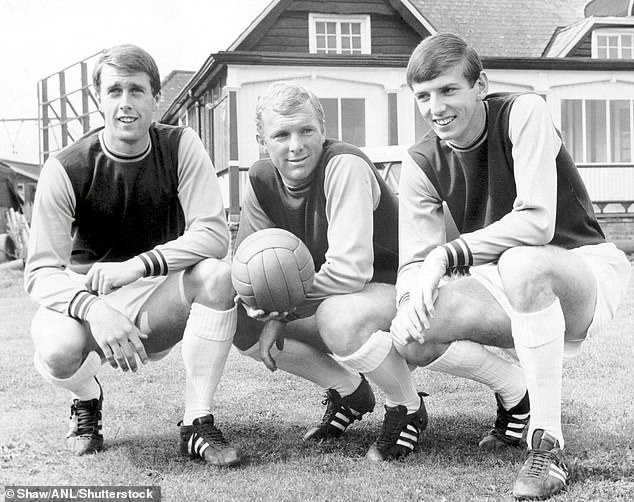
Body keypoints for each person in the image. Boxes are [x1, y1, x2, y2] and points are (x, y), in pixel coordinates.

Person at [392, 33, 631, 499]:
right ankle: (515, 389)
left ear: (480, 84)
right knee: (411, 335)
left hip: (580, 267)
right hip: (502, 274)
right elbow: (413, 262)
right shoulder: (421, 160)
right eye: (423, 95)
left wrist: (447, 254)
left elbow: (538, 222)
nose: (435, 106)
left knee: (523, 263)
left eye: (447, 90)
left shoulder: (523, 111)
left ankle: (548, 445)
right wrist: (408, 299)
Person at [24, 44, 240, 467]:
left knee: (217, 275)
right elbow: (40, 270)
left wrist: (137, 265)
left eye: (137, 90)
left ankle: (197, 421)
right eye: (115, 90)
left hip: (157, 294)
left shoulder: (180, 145)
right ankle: (87, 400)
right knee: (57, 349)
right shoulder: (65, 166)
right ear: (98, 100)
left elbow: (213, 235)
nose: (126, 103)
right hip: (90, 294)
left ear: (155, 98)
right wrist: (93, 310)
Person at [233, 81, 425, 461]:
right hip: (339, 297)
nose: (296, 145)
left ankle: (408, 408)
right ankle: (350, 392)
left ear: (323, 128)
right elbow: (247, 270)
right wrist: (262, 306)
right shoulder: (259, 180)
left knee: (339, 317)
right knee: (236, 315)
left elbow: (350, 272)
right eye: (281, 134)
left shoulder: (343, 164)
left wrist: (283, 312)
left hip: (399, 286)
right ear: (261, 140)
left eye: (306, 130)